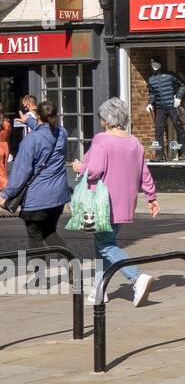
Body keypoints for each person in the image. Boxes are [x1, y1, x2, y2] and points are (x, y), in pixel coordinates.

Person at [71, 98, 161, 307]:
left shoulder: (102, 139)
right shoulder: (134, 143)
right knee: (104, 243)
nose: (100, 120)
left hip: (102, 203)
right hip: (125, 203)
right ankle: (99, 289)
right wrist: (152, 197)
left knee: (105, 245)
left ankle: (136, 277)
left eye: (101, 117)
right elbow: (144, 174)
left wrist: (79, 168)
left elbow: (94, 170)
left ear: (107, 119)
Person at [1, 101, 72, 260]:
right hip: (58, 196)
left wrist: (6, 193)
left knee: (35, 236)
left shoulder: (31, 140)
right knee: (49, 232)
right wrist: (30, 121)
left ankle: (38, 277)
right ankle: (72, 265)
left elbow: (21, 171)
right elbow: (47, 131)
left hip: (37, 198)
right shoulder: (62, 133)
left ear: (38, 115)